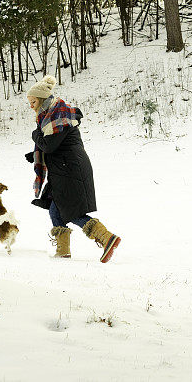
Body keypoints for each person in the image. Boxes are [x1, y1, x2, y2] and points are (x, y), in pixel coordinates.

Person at [25, 75, 121, 262]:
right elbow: (52, 144)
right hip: (65, 166)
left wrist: (35, 136)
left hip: (69, 168)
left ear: (42, 99)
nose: (31, 105)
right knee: (55, 209)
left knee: (68, 210)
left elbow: (49, 145)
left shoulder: (58, 117)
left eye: (33, 101)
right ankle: (63, 252)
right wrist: (36, 154)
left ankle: (106, 237)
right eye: (29, 102)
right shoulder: (51, 116)